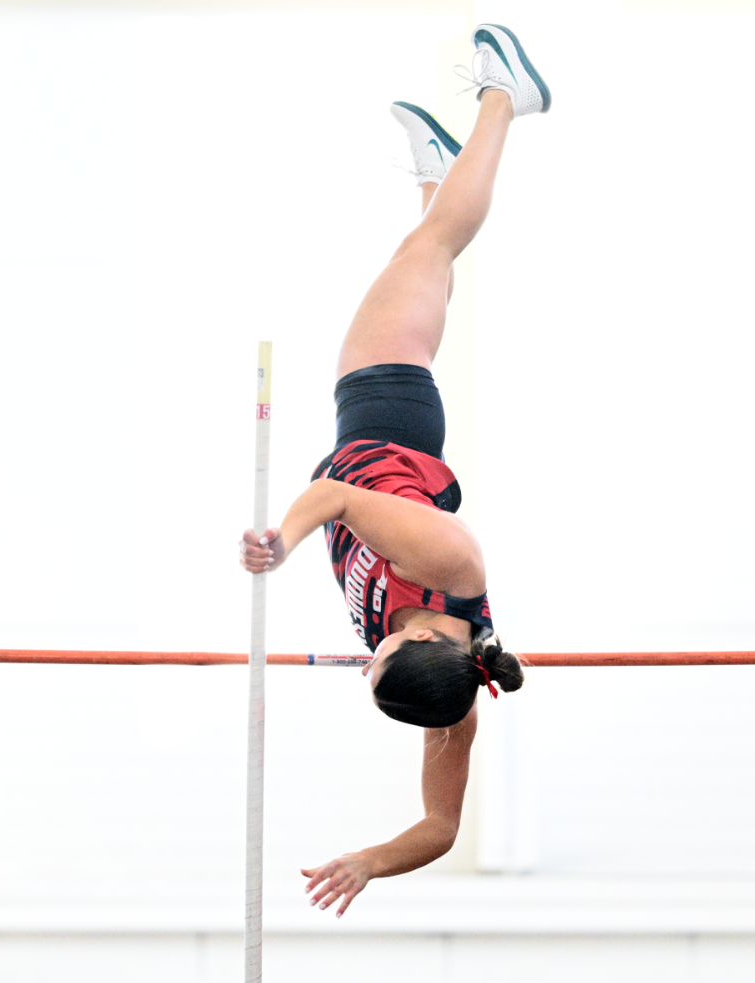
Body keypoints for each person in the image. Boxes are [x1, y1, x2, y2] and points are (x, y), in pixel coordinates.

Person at [236, 24, 549, 917]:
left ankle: (435, 174)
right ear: (413, 642)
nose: (365, 652)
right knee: (433, 252)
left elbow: (440, 827)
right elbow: (335, 495)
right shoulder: (449, 573)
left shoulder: (452, 691)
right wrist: (281, 542)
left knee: (424, 252)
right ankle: (505, 103)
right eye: (374, 659)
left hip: (372, 419)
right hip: (385, 405)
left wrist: (372, 859)